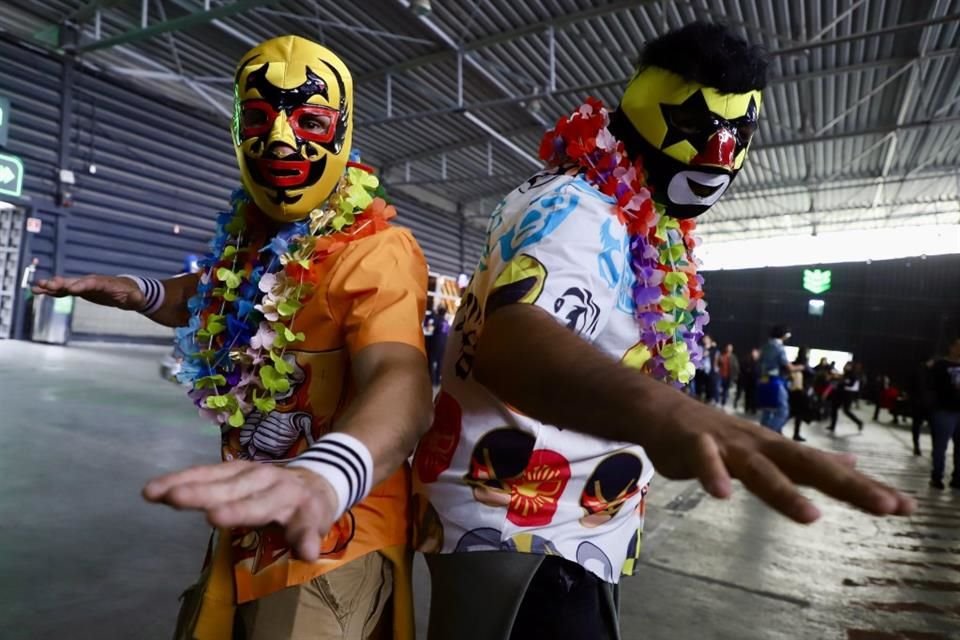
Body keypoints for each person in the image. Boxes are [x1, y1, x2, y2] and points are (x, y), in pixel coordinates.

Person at [406, 23, 912, 640]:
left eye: (739, 134)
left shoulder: (637, 219)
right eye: (698, 128)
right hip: (525, 530)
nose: (720, 155)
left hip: (559, 531)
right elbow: (514, 341)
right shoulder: (581, 208)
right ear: (645, 111)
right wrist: (664, 411)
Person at [34, 36, 433, 640]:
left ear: (343, 131)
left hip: (332, 533)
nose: (279, 140)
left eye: (310, 121)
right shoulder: (254, 238)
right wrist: (138, 290)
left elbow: (399, 379)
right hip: (247, 522)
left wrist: (330, 473)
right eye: (257, 119)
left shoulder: (375, 251)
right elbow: (216, 294)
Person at [757, 325, 802, 434]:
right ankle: (768, 433)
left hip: (763, 380)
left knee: (767, 409)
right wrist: (801, 367)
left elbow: (759, 362)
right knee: (783, 411)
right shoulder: (779, 348)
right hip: (774, 381)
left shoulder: (765, 346)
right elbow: (788, 367)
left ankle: (761, 433)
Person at [928, 338, 960, 490]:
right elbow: (930, 385)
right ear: (952, 347)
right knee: (940, 447)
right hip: (944, 410)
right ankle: (937, 477)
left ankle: (957, 478)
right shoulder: (940, 365)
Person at [829, 362, 865, 433]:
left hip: (847, 395)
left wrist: (842, 382)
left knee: (846, 411)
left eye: (849, 366)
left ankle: (859, 422)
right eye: (846, 365)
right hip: (839, 394)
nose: (846, 367)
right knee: (834, 409)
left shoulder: (853, 375)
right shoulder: (845, 374)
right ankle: (832, 426)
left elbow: (851, 384)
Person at [788, 346, 813, 442]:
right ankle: (796, 433)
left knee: (792, 412)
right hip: (801, 391)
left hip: (794, 390)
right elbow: (811, 374)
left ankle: (779, 428)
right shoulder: (804, 364)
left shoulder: (795, 363)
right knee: (798, 413)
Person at [735, 347, 759, 414]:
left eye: (756, 353)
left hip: (756, 382)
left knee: (754, 396)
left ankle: (753, 409)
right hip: (748, 381)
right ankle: (747, 408)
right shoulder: (747, 360)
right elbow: (743, 368)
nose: (754, 354)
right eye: (753, 352)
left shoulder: (759, 362)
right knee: (747, 395)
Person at [717, 343, 739, 408]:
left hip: (729, 376)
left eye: (730, 348)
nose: (729, 349)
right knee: (719, 388)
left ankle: (723, 402)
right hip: (721, 375)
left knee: (725, 389)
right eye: (728, 347)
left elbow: (736, 367)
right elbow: (718, 364)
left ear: (732, 349)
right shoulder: (722, 356)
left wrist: (735, 376)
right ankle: (719, 400)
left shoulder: (733, 357)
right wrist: (719, 361)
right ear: (726, 348)